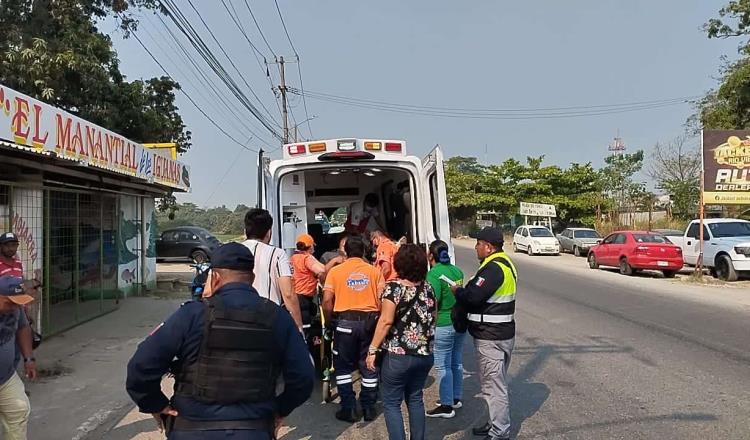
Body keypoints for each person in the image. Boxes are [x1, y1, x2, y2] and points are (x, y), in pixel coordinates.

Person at [126, 243, 314, 439]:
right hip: (253, 430)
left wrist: (155, 404)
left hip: (190, 429)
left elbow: (141, 366)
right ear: (252, 278)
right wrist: (281, 409)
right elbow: (303, 377)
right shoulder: (278, 318)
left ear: (214, 277)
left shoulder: (191, 315)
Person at [366, 244, 436, 440]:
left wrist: (372, 350)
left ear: (399, 264)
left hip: (398, 355)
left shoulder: (393, 289)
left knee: (391, 402)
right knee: (415, 399)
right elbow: (434, 319)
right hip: (424, 354)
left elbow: (386, 320)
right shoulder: (428, 288)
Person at [453, 227, 518, 440]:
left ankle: (499, 432)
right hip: (502, 333)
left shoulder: (493, 269)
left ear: (489, 247)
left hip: (491, 336)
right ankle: (494, 424)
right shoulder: (506, 264)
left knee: (493, 387)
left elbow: (472, 298)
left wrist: (458, 291)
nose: (476, 248)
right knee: (495, 383)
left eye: (478, 244)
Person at [322, 235, 384, 423]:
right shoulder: (375, 272)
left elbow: (326, 301)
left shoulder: (336, 272)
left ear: (345, 252)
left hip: (344, 324)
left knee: (342, 367)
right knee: (369, 365)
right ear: (365, 251)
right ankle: (368, 407)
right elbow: (382, 300)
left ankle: (348, 408)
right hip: (369, 324)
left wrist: (330, 321)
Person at [242, 209, 303, 331]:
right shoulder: (277, 254)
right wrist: (299, 328)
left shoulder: (231, 251)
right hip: (268, 319)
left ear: (245, 231)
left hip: (237, 318)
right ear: (269, 232)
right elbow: (288, 293)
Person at [425, 240, 466, 419]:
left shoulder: (433, 274)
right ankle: (455, 398)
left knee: (442, 365)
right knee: (456, 362)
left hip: (443, 322)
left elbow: (433, 302)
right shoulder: (457, 271)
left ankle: (446, 406)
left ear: (430, 255)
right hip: (460, 322)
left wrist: (428, 325)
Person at [0, 276, 37, 440]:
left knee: (19, 410)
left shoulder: (15, 308)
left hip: (5, 376)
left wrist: (29, 358)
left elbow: (23, 328)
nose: (14, 307)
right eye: (10, 303)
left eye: (18, 302)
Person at [290, 234, 338, 339]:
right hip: (303, 299)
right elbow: (322, 270)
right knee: (305, 331)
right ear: (310, 246)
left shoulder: (293, 258)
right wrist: (335, 261)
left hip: (295, 296)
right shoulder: (307, 258)